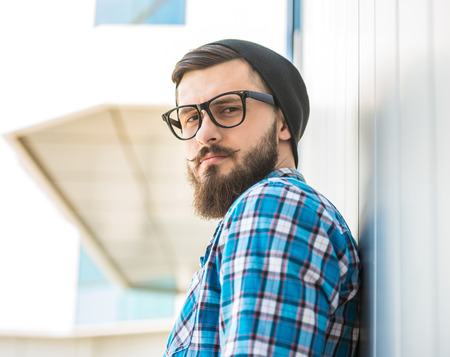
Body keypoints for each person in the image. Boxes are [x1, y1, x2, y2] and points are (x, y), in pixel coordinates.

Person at [161, 39, 360, 357]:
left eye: (228, 109)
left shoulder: (271, 207)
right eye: (190, 118)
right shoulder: (255, 217)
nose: (203, 134)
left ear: (282, 123)